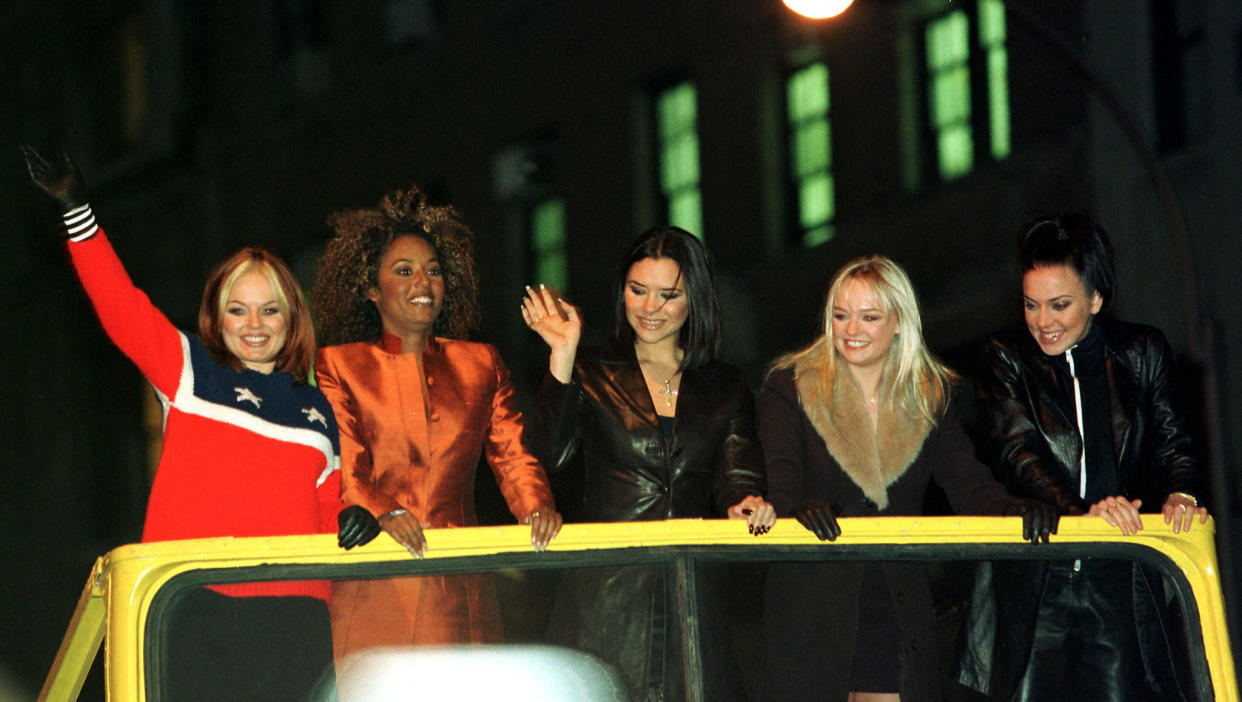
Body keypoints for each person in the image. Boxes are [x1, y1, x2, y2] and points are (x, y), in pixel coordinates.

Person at [21, 146, 380, 702]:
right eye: (238, 309)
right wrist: (75, 205)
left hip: (293, 613)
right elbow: (120, 304)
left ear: (292, 318)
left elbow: (322, 506)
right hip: (194, 603)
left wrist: (354, 517)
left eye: (270, 309)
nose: (254, 324)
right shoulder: (188, 370)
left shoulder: (318, 410)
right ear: (216, 317)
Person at [757, 255, 1057, 702]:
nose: (851, 329)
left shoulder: (928, 396)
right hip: (813, 603)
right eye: (841, 315)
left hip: (895, 599)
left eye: (869, 317)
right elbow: (780, 484)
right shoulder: (791, 385)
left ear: (899, 322)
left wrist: (1016, 509)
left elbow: (968, 484)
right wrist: (793, 510)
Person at [522, 225, 775, 701]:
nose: (650, 308)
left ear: (693, 299)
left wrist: (747, 504)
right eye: (638, 291)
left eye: (668, 295)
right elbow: (549, 456)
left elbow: (739, 476)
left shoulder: (725, 385)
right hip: (605, 596)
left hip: (693, 594)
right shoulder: (592, 369)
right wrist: (562, 355)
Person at [311, 182, 562, 660]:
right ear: (370, 288)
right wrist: (385, 510)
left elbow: (512, 454)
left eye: (433, 271)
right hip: (375, 580)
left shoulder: (480, 363)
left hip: (459, 586)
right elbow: (347, 469)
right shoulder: (339, 365)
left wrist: (536, 508)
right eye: (403, 271)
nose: (422, 283)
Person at [965, 212, 1207, 701]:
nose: (1042, 321)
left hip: (1118, 578)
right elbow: (1017, 453)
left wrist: (1181, 494)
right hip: (1036, 579)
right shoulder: (1003, 355)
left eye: (1059, 305)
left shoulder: (1142, 350)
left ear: (1095, 298)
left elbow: (1173, 441)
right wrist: (1082, 514)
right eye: (1031, 305)